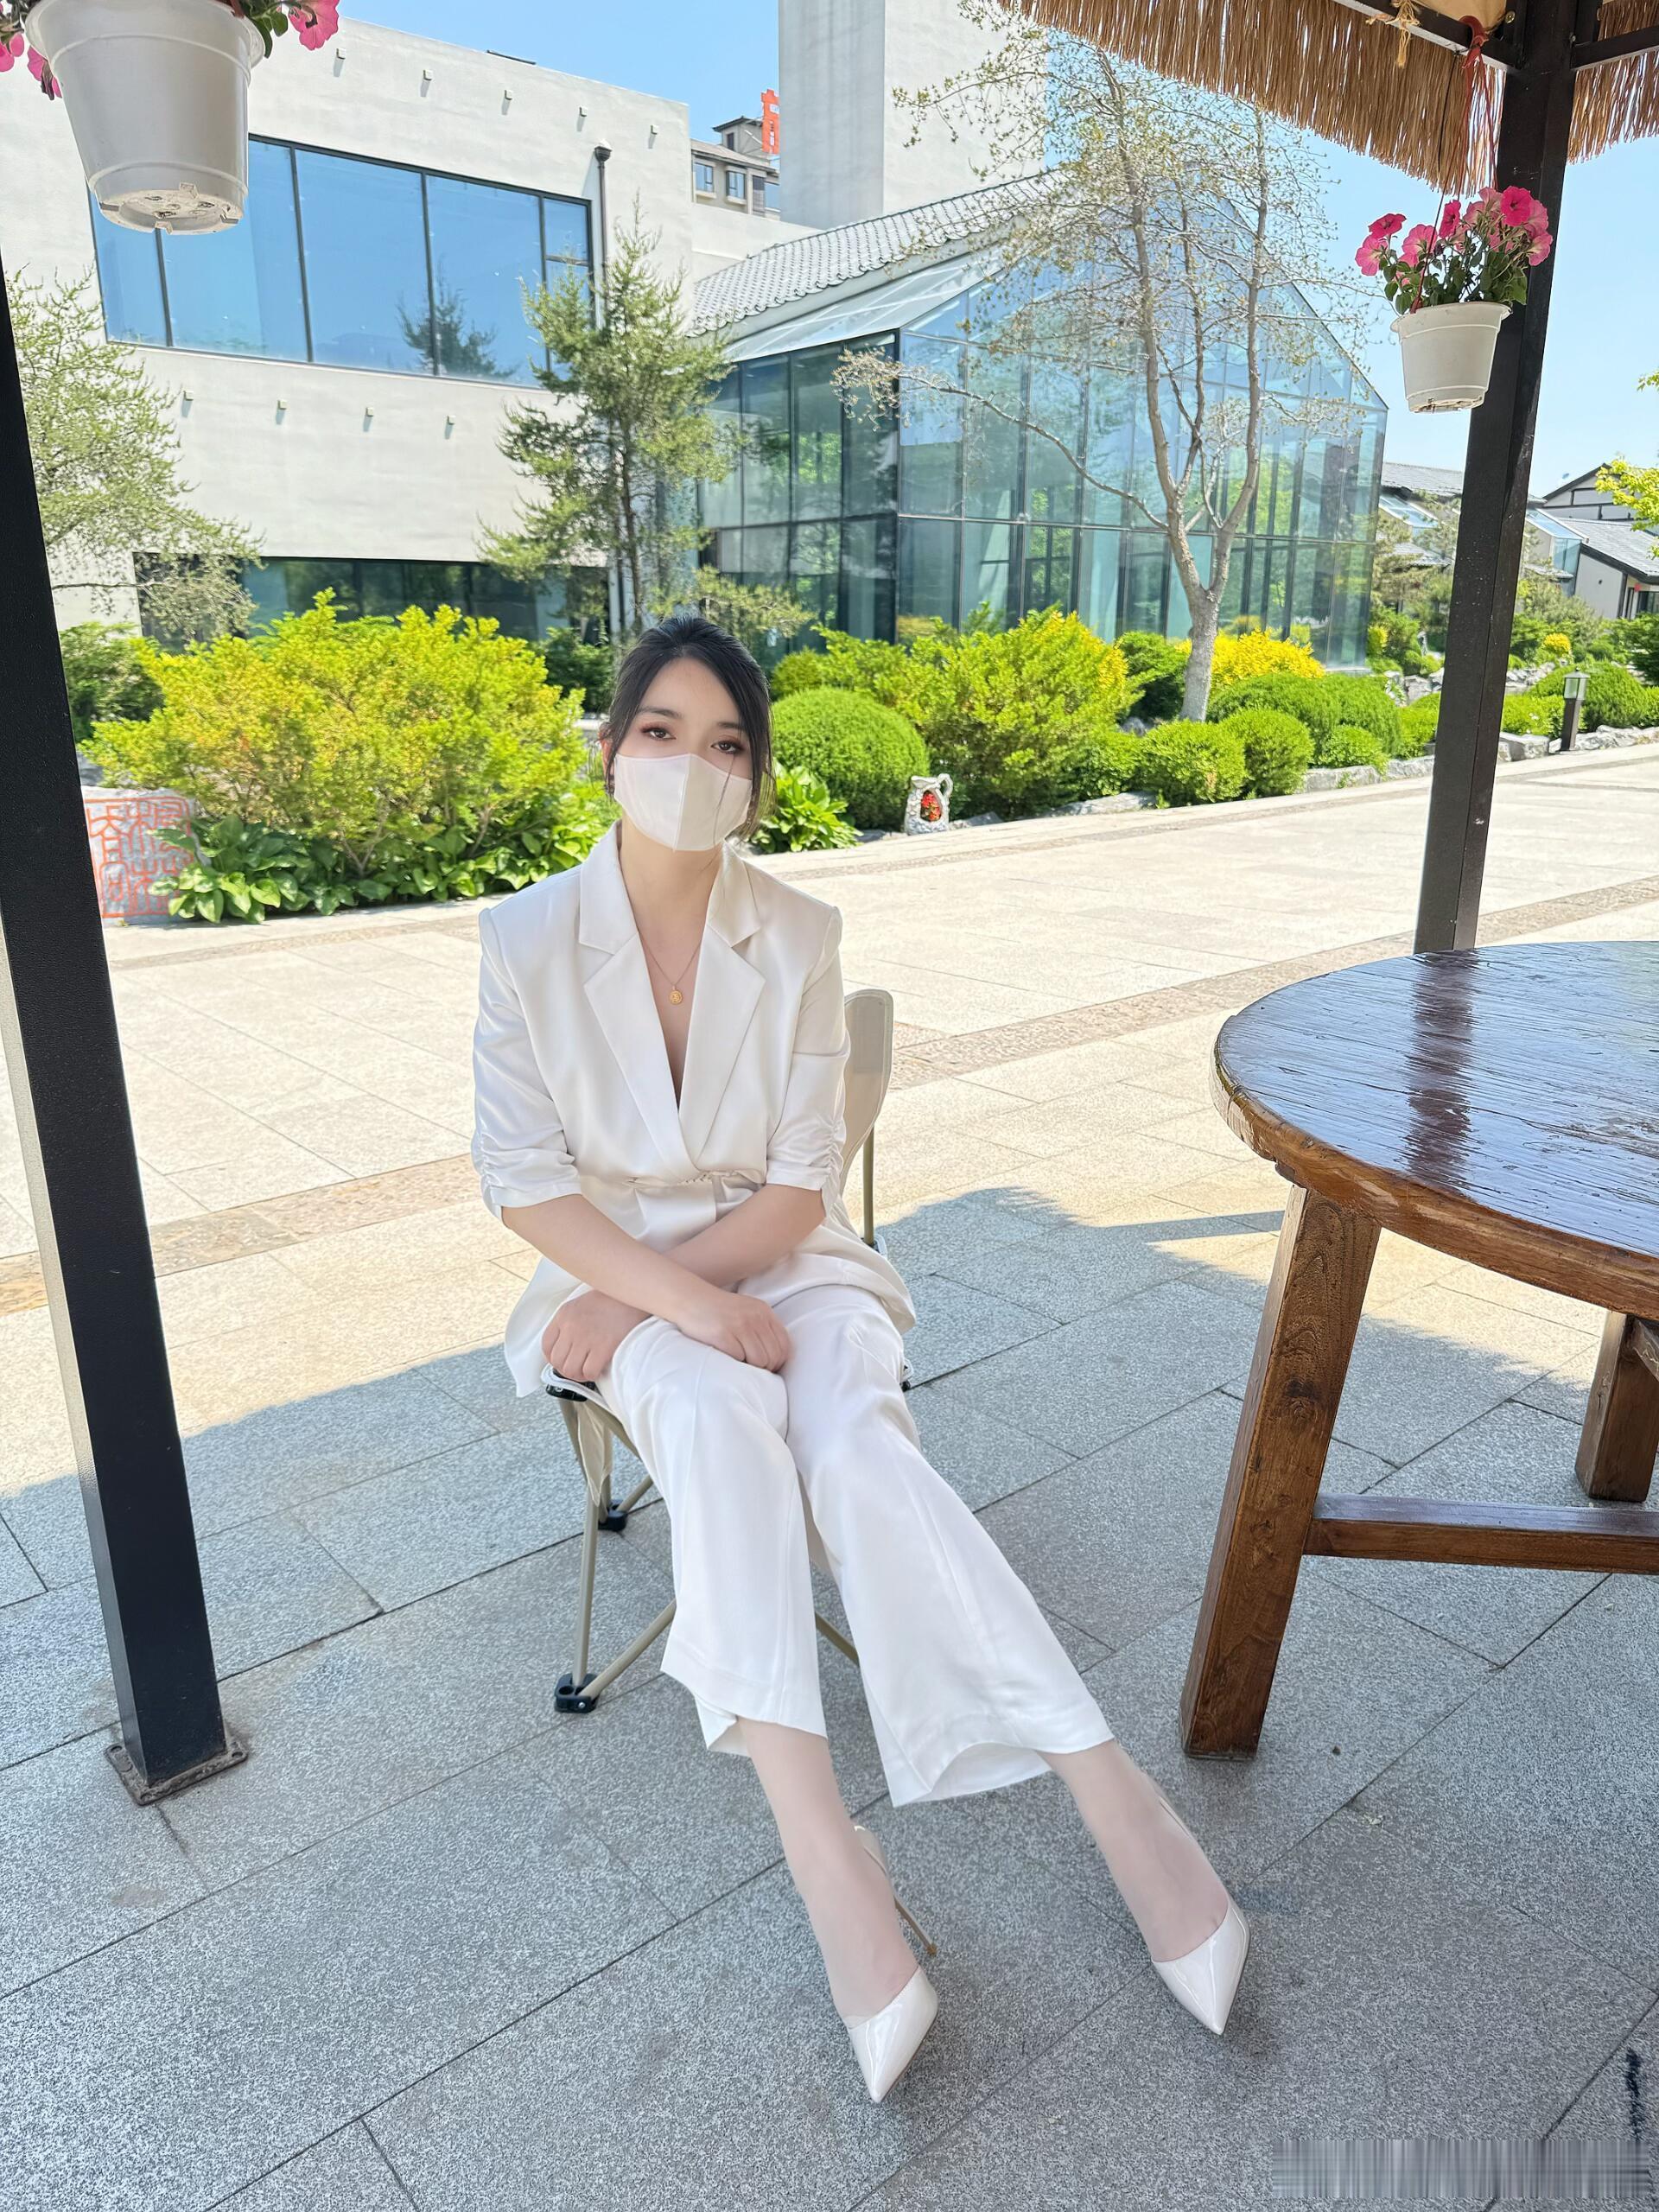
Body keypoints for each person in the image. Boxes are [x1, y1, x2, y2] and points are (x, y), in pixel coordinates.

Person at [470, 615, 1249, 2101]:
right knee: (716, 1430)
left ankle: (1117, 1798)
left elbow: (798, 1187)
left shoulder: (799, 933)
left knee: (859, 1456)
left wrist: (683, 1295)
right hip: (613, 1281)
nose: (691, 765)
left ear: (755, 778)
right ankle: (829, 1856)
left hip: (786, 1265)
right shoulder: (525, 940)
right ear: (610, 747)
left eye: (726, 744)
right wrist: (657, 1306)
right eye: (661, 732)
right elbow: (524, 1183)